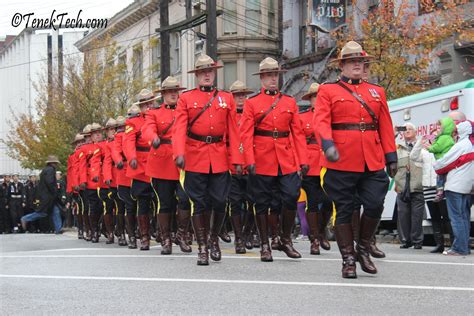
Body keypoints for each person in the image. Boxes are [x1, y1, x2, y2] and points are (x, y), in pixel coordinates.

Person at [314, 41, 397, 278]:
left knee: (374, 203)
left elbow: (385, 126)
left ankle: (363, 248)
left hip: (371, 159)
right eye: (352, 61)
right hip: (341, 158)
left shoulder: (376, 91)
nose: (357, 65)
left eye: (360, 61)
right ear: (342, 65)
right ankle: (348, 259)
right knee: (344, 209)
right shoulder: (328, 90)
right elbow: (321, 121)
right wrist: (327, 145)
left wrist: (391, 156)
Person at [173, 54, 243, 265]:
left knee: (221, 201)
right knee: (199, 203)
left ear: (214, 73)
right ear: (197, 75)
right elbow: (178, 129)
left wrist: (237, 158)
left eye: (209, 71)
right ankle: (202, 247)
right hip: (195, 155)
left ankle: (214, 238)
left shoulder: (226, 97)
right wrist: (179, 153)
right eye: (202, 71)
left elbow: (233, 130)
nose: (206, 74)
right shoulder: (186, 98)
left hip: (219, 155)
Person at [240, 57, 309, 262]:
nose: (273, 79)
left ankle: (285, 239)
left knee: (291, 196)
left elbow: (297, 133)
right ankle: (264, 244)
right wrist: (249, 160)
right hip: (261, 158)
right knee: (261, 203)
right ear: (261, 77)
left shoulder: (289, 102)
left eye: (275, 75)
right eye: (269, 75)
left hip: (286, 158)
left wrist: (302, 160)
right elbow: (245, 134)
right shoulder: (252, 103)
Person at [142, 76, 192, 255]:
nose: (173, 94)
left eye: (175, 91)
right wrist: (153, 138)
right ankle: (166, 239)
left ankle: (181, 234)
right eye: (169, 91)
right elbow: (146, 128)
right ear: (163, 94)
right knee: (165, 203)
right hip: (162, 162)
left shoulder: (185, 110)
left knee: (185, 198)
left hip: (182, 161)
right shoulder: (154, 113)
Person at [299, 82, 333, 255]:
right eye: (314, 97)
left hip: (327, 161)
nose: (317, 100)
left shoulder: (331, 116)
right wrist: (301, 161)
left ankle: (321, 231)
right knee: (312, 202)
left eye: (320, 97)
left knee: (328, 200)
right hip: (310, 163)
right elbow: (298, 141)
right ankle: (314, 239)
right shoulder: (302, 117)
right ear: (310, 100)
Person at [123, 89, 159, 251]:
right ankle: (144, 236)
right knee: (142, 202)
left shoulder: (161, 116)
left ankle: (162, 231)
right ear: (141, 107)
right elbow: (128, 142)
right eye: (145, 104)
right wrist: (131, 158)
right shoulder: (133, 122)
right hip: (142, 166)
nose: (149, 106)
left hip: (160, 162)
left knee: (163, 200)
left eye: (151, 103)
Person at [434, 120, 473, 256]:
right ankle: (464, 246)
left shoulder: (461, 145)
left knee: (456, 217)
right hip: (468, 186)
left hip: (455, 185)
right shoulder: (471, 145)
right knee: (464, 217)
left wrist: (436, 165)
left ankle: (459, 248)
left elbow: (443, 162)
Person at [411, 130, 450, 253]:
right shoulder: (424, 152)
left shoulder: (443, 149)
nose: (432, 137)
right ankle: (440, 244)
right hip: (427, 187)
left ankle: (453, 243)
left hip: (440, 186)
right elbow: (413, 156)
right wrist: (419, 142)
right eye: (431, 135)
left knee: (447, 216)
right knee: (434, 217)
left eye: (435, 135)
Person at [226, 80, 254, 254]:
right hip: (232, 165)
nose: (241, 98)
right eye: (237, 95)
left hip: (251, 164)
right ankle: (239, 238)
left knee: (254, 202)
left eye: (243, 94)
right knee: (235, 203)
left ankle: (248, 233)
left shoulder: (252, 114)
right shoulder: (227, 116)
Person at [394, 123, 425, 250]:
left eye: (410, 129)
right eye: (404, 129)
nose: (407, 131)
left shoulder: (422, 147)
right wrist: (394, 134)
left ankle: (417, 241)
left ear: (415, 132)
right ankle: (406, 240)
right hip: (402, 186)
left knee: (417, 216)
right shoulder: (397, 148)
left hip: (418, 186)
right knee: (403, 215)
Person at [111, 114, 138, 248]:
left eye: (123, 126)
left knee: (139, 204)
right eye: (119, 127)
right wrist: (119, 161)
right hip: (124, 173)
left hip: (137, 170)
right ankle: (127, 234)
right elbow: (115, 151)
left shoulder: (136, 130)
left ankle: (139, 232)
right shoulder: (117, 137)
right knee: (126, 206)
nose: (122, 128)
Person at [21, 156, 62, 234]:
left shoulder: (45, 170)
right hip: (48, 196)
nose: (56, 164)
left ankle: (58, 229)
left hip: (46, 195)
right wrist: (54, 191)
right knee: (43, 212)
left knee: (55, 211)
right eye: (55, 163)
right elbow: (50, 182)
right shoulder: (50, 170)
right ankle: (26, 218)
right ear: (52, 163)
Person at [425, 117, 455, 202]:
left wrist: (429, 147)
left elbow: (437, 147)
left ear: (445, 128)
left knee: (440, 177)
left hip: (443, 162)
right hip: (444, 161)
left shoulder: (444, 138)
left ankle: (440, 192)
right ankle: (441, 191)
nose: (438, 130)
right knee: (442, 177)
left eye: (440, 127)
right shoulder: (446, 137)